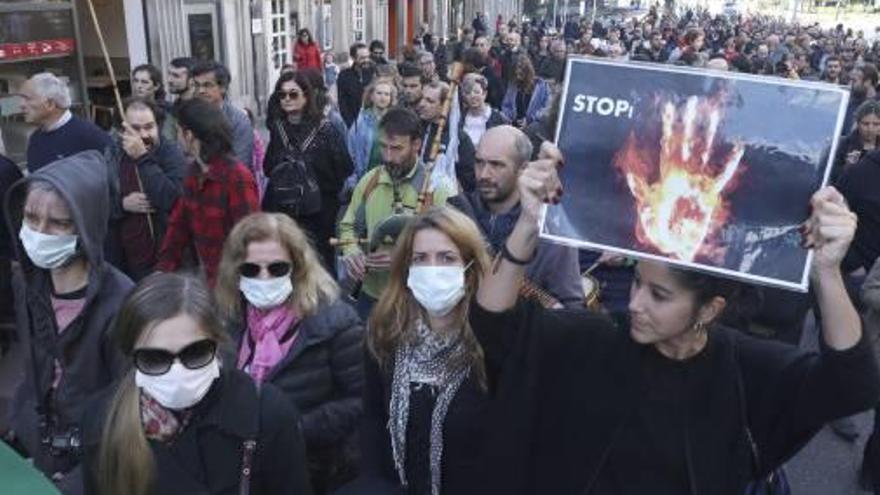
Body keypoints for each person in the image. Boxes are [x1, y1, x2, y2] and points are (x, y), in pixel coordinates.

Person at [470, 146, 880, 494]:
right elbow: (494, 321)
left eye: (659, 296)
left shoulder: (743, 371)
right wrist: (528, 221)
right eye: (636, 284)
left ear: (709, 309)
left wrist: (826, 272)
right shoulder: (596, 339)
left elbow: (852, 385)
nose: (634, 304)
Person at [80, 272, 313, 495]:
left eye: (195, 353)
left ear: (217, 344)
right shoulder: (103, 421)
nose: (177, 371)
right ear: (132, 357)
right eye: (155, 358)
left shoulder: (267, 413)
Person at [4, 150, 134, 492]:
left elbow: (128, 413)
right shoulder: (27, 283)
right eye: (30, 218)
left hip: (93, 461)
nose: (39, 232)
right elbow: (37, 367)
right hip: (41, 446)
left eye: (58, 223)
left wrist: (83, 480)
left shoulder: (122, 302)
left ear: (86, 225)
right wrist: (19, 424)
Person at [215, 212, 364, 494]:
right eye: (251, 269)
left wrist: (294, 429)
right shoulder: (229, 321)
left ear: (297, 267)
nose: (263, 277)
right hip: (246, 469)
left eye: (276, 268)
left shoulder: (337, 323)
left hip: (315, 469)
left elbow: (360, 400)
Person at [349, 206, 494, 495]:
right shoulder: (385, 333)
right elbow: (373, 420)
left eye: (447, 258)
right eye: (421, 259)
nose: (433, 269)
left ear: (470, 267)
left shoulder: (492, 343)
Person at [338, 108, 457, 318]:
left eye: (396, 148)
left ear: (417, 145)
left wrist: (406, 258)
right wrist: (351, 252)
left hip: (417, 300)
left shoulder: (438, 189)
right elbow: (348, 228)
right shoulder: (370, 181)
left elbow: (454, 247)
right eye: (383, 147)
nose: (388, 157)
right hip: (372, 297)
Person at [448, 126, 582, 308]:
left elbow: (571, 308)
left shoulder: (551, 231)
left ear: (523, 169)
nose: (484, 174)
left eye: (496, 165)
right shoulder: (454, 213)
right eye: (479, 162)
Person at [156, 98, 259, 286]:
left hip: (238, 286)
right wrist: (162, 272)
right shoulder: (194, 173)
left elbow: (250, 239)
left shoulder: (237, 177)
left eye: (178, 130)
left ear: (188, 135)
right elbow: (178, 227)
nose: (176, 136)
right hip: (210, 281)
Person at [262, 71, 353, 271]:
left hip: (318, 212)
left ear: (306, 95)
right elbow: (268, 167)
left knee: (318, 264)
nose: (286, 99)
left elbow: (344, 168)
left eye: (293, 94)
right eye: (282, 95)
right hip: (284, 209)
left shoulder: (326, 129)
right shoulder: (278, 128)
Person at [107, 97, 186, 280]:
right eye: (135, 129)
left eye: (149, 127)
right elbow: (98, 205)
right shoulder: (112, 155)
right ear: (121, 130)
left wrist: (142, 158)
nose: (143, 135)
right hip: (126, 262)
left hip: (166, 260)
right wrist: (122, 204)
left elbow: (172, 199)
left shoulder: (170, 153)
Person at [22, 73, 112, 173]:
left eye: (28, 99)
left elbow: (113, 178)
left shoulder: (90, 136)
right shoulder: (35, 139)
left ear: (50, 104)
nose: (21, 105)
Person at [191, 61, 255, 171]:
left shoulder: (238, 121)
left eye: (207, 85)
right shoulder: (189, 116)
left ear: (223, 88)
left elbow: (240, 167)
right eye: (197, 85)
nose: (200, 91)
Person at [418, 81, 477, 193]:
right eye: (422, 98)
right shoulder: (417, 130)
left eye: (429, 101)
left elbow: (469, 181)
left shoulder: (459, 140)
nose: (422, 104)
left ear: (445, 106)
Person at [348, 78, 398, 185]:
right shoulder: (361, 121)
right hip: (364, 177)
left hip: (388, 179)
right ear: (372, 96)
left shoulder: (396, 121)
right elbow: (351, 151)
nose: (383, 97)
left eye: (387, 94)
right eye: (379, 93)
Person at [831, 100, 880, 184]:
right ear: (858, 123)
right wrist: (847, 167)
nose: (870, 129)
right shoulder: (843, 144)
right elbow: (833, 176)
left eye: (876, 124)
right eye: (865, 124)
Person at [458, 73, 509, 147]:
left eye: (476, 92)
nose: (473, 96)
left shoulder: (497, 118)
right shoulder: (460, 118)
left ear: (484, 94)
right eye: (468, 93)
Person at [501, 55, 551, 128]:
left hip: (534, 127)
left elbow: (546, 108)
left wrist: (529, 120)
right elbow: (506, 105)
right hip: (514, 126)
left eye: (521, 74)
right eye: (516, 74)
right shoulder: (513, 85)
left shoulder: (542, 86)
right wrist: (510, 119)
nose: (518, 77)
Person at [338, 43, 376, 127]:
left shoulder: (375, 72)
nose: (366, 60)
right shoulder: (344, 75)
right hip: (353, 123)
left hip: (373, 123)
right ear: (353, 58)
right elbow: (342, 103)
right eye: (362, 58)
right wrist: (351, 124)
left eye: (368, 57)